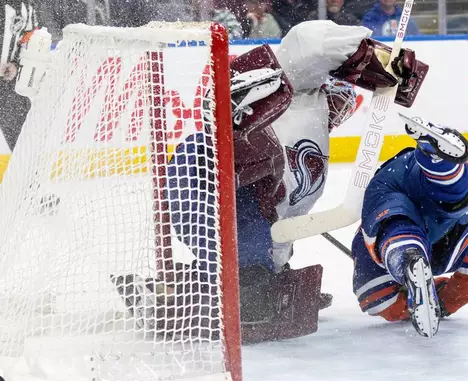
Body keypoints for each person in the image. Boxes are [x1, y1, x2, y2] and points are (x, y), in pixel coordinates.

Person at [112, 20, 428, 343]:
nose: (341, 107)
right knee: (245, 232)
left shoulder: (314, 133)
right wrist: (370, 54)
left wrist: (275, 272)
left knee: (255, 266)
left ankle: (226, 283)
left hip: (249, 223)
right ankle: (230, 283)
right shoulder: (292, 88)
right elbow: (308, 41)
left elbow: (283, 220)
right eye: (338, 97)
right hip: (207, 186)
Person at [351, 117, 468, 335]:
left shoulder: (370, 240)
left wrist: (421, 300)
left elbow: (377, 301)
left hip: (392, 188)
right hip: (403, 182)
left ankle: (407, 259)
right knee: (448, 203)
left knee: (399, 228)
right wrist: (439, 304)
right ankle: (440, 162)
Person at [0, 0, 38, 153]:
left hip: (8, 82)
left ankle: (28, 175)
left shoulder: (27, 8)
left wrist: (15, 64)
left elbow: (29, 39)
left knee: (22, 138)